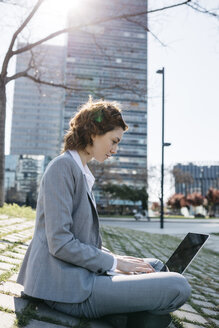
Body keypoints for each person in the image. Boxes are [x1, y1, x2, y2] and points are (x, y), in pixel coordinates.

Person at [17, 98, 191, 328]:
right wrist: (115, 262)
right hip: (65, 287)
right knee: (178, 286)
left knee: (156, 266)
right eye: (113, 141)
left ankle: (131, 315)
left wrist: (119, 262)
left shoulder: (81, 172)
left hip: (80, 275)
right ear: (93, 132)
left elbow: (82, 240)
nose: (115, 150)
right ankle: (134, 314)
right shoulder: (62, 168)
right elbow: (60, 243)